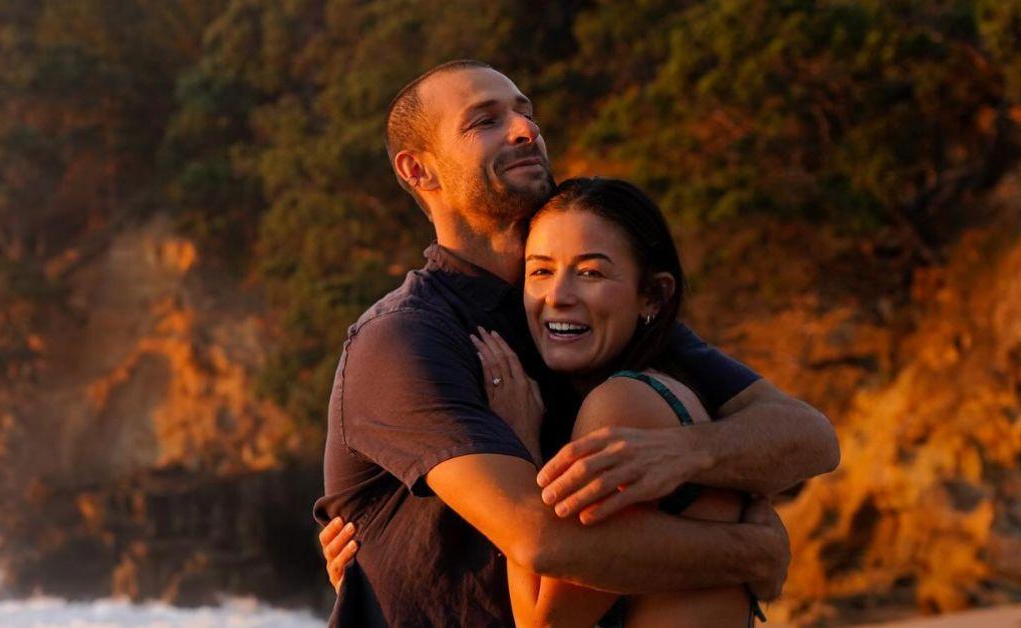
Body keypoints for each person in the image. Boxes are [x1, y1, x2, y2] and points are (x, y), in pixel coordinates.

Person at [313, 59, 839, 627]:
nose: (525, 130)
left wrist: (684, 455)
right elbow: (541, 538)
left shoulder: (575, 309)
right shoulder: (406, 336)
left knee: (658, 413)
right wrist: (750, 551)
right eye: (484, 121)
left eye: (526, 112)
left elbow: (809, 437)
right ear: (418, 170)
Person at [472, 176, 762, 626]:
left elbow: (543, 621)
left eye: (590, 272)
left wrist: (518, 441)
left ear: (652, 296)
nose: (559, 296)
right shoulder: (660, 393)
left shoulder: (623, 406)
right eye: (541, 270)